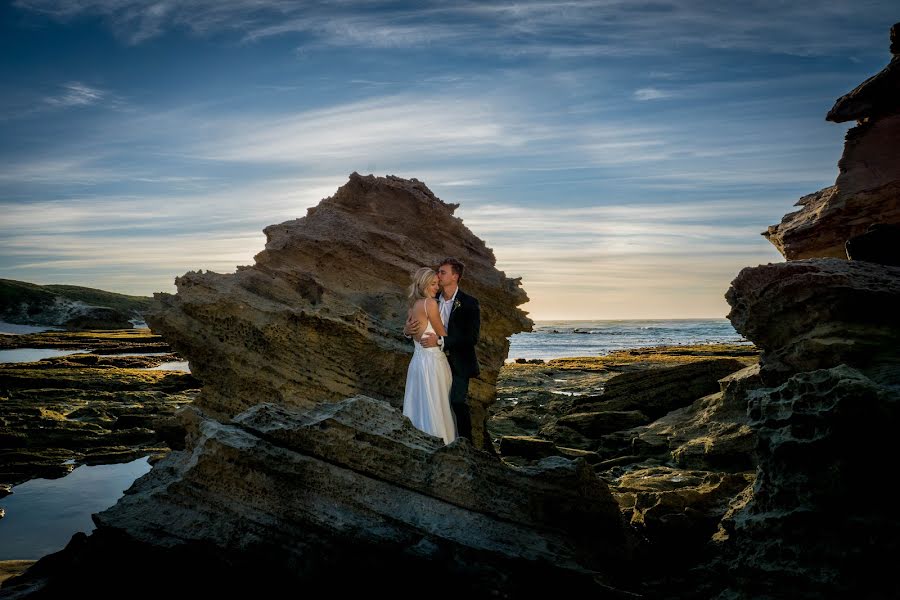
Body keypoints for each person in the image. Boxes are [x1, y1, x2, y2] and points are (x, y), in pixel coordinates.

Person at [405, 257, 480, 443]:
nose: (438, 275)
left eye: (442, 272)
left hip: (458, 360)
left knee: (456, 402)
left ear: (455, 276)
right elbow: (416, 324)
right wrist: (407, 331)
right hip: (434, 360)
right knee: (439, 402)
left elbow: (471, 338)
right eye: (437, 273)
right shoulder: (431, 299)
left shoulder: (469, 303)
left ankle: (466, 444)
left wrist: (440, 341)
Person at [401, 267, 457, 444]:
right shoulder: (430, 304)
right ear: (424, 284)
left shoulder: (413, 306)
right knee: (438, 407)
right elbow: (443, 334)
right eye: (433, 284)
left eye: (437, 283)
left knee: (420, 405)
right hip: (433, 363)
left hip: (417, 363)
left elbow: (408, 330)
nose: (437, 287)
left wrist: (405, 331)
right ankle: (442, 444)